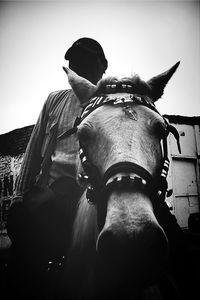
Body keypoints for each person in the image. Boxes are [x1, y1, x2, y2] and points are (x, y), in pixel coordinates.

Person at [7, 37, 108, 299]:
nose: (78, 65)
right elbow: (33, 151)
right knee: (25, 262)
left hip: (97, 197)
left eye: (87, 60)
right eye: (74, 60)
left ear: (103, 66)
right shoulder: (55, 101)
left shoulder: (112, 101)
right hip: (53, 199)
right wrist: (20, 198)